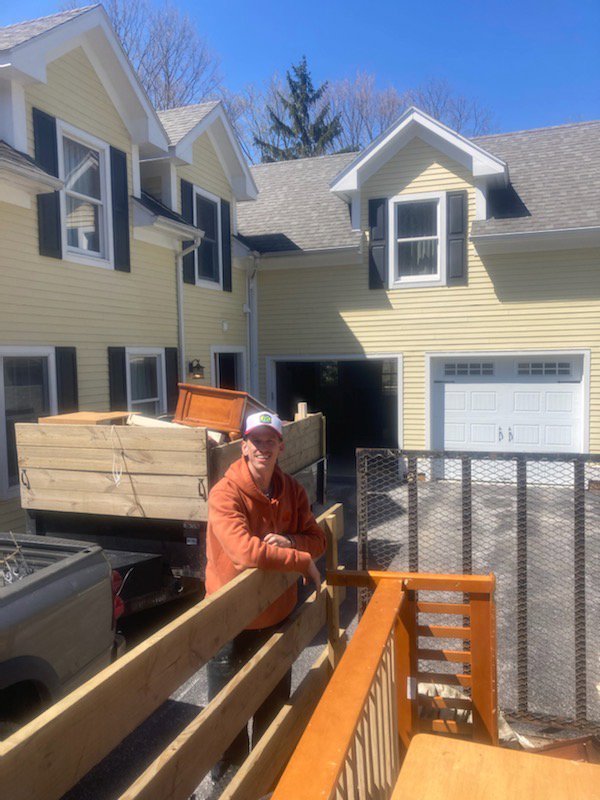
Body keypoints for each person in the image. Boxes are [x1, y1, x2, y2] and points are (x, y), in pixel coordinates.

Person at [205, 410, 326, 784]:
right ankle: (227, 789)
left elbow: (318, 539)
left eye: (270, 440)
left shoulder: (292, 490)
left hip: (276, 619)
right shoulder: (224, 493)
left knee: (273, 712)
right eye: (255, 440)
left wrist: (291, 540)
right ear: (244, 447)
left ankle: (267, 785)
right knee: (228, 723)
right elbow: (244, 552)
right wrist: (298, 558)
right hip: (231, 625)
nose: (263, 447)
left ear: (280, 447)